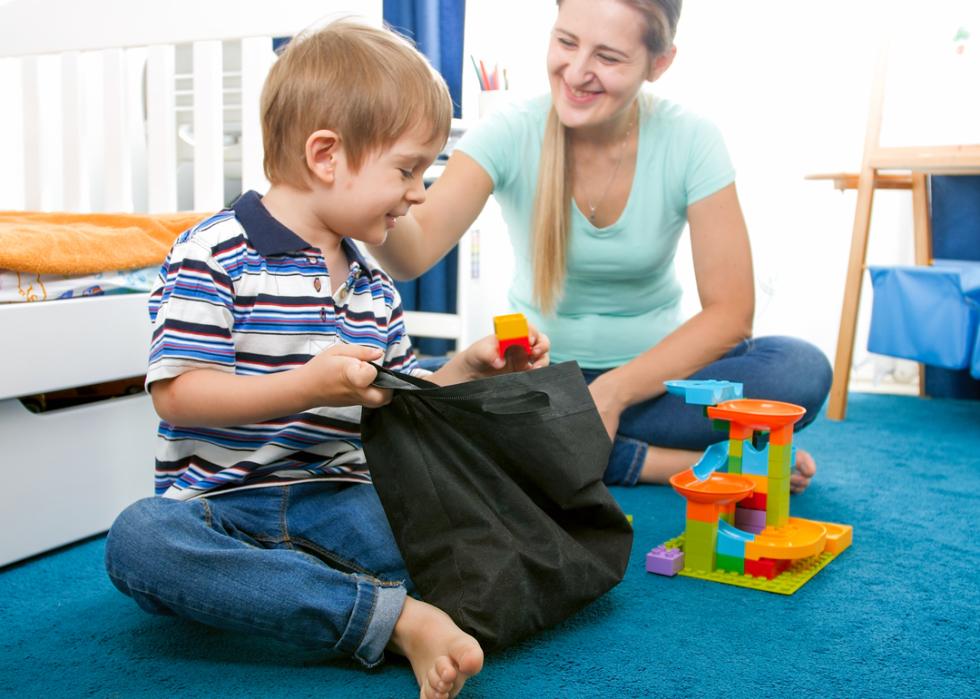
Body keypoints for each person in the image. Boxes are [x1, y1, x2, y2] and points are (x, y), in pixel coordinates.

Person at [103, 21, 550, 699]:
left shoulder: (375, 286)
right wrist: (306, 386)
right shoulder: (213, 253)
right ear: (325, 156)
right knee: (138, 540)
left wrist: (467, 367)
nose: (420, 193)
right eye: (407, 170)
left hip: (339, 498)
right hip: (220, 507)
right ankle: (389, 617)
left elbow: (401, 398)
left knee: (453, 526)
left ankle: (296, 596)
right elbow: (180, 393)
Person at [371, 0, 832, 494]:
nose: (576, 72)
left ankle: (558, 445)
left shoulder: (692, 139)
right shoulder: (509, 130)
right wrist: (367, 189)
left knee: (798, 369)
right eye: (566, 42)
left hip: (652, 390)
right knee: (394, 396)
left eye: (608, 57)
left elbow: (731, 314)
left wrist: (609, 396)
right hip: (540, 383)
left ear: (659, 63)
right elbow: (413, 254)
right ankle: (663, 460)